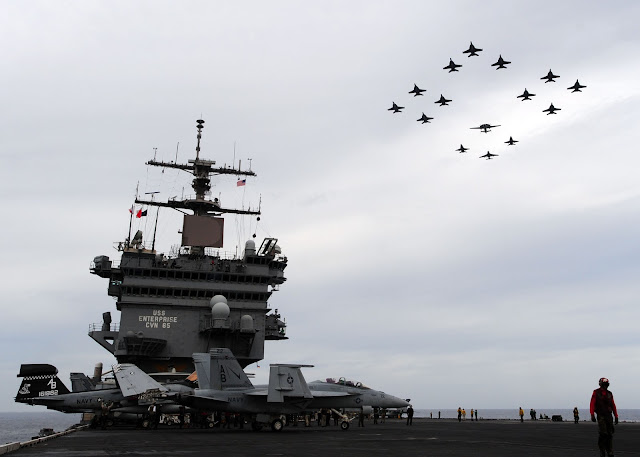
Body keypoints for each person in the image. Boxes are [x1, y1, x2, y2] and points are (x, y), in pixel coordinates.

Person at [590, 377, 619, 457]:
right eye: (604, 384)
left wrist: (616, 416)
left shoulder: (610, 393)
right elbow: (592, 403)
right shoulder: (596, 392)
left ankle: (610, 452)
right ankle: (602, 451)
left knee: (609, 434)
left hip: (609, 416)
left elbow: (613, 405)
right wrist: (592, 414)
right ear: (601, 384)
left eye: (606, 385)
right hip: (601, 415)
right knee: (603, 434)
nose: (605, 386)